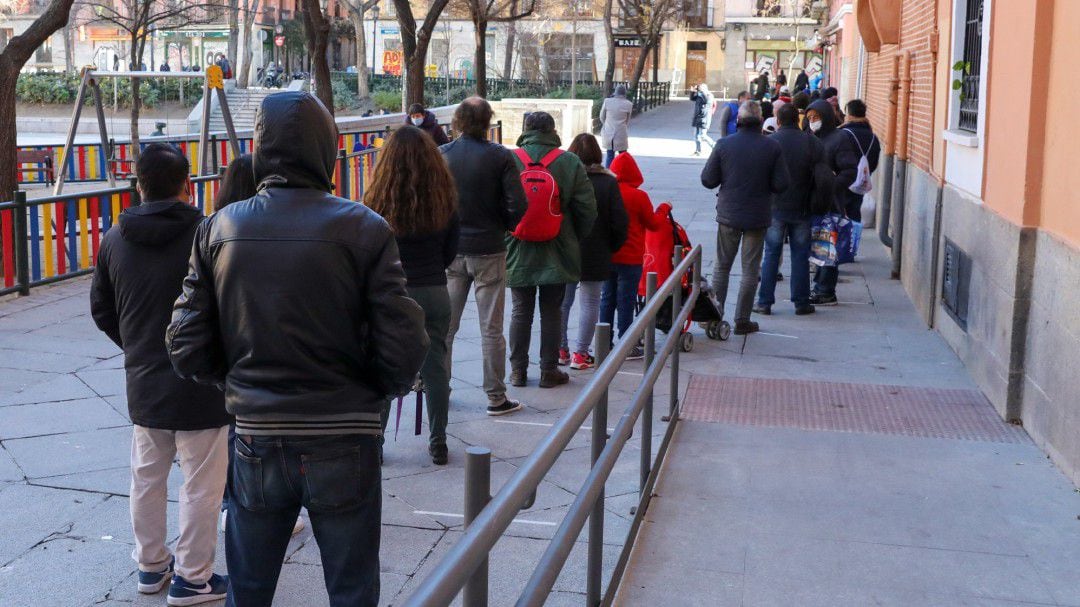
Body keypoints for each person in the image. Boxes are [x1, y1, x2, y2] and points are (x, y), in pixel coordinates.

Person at [167, 91, 428, 606]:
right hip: (345, 430)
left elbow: (185, 343)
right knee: (352, 588)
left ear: (261, 148)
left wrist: (236, 381)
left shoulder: (219, 228)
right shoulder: (365, 227)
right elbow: (405, 342)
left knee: (250, 587)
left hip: (257, 433)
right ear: (326, 149)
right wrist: (372, 392)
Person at [90, 143, 231, 605]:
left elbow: (102, 309)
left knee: (146, 477)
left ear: (138, 184)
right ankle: (194, 575)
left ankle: (151, 567)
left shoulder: (114, 238)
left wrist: (137, 348)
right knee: (202, 482)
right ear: (187, 185)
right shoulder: (208, 234)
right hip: (202, 379)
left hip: (145, 379)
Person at [212, 155, 306, 536]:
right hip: (260, 348)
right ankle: (256, 502)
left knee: (235, 431)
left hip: (226, 350)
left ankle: (228, 501)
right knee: (258, 434)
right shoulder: (263, 229)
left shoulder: (213, 231)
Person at [366, 126, 459, 465]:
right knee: (436, 367)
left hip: (394, 291)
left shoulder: (377, 199)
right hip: (434, 289)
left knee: (386, 363)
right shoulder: (444, 197)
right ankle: (438, 441)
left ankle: (376, 442)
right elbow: (451, 249)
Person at [440, 97, 528, 415]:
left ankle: (441, 388)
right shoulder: (500, 156)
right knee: (491, 328)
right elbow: (519, 203)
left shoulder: (443, 155)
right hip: (490, 249)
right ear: (487, 121)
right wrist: (502, 226)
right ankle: (495, 396)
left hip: (452, 251)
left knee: (446, 328)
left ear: (458, 120)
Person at [506, 111, 597, 388]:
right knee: (552, 310)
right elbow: (587, 209)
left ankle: (518, 371)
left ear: (526, 129)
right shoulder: (568, 162)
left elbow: (498, 203)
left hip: (518, 246)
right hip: (557, 248)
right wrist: (571, 237)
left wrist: (508, 233)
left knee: (521, 310)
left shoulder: (510, 159)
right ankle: (548, 370)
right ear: (552, 131)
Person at [700, 101, 789, 335]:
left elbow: (708, 180)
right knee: (750, 270)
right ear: (760, 120)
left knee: (722, 267)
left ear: (738, 120)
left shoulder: (724, 145)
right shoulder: (772, 147)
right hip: (758, 215)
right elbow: (782, 183)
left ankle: (715, 319)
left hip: (729, 214)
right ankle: (742, 320)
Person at [558, 133, 629, 370]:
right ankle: (580, 354)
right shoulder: (608, 182)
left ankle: (560, 349)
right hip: (596, 250)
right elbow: (620, 221)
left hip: (566, 249)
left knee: (562, 302)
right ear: (598, 155)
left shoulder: (564, 179)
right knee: (590, 302)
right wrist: (612, 246)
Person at [754, 104, 823, 316]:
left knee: (771, 254)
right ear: (798, 119)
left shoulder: (769, 142)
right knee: (801, 255)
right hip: (802, 206)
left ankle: (764, 302)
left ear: (779, 120)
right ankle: (801, 302)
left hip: (775, 207)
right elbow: (822, 175)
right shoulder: (812, 142)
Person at [604, 152, 671, 357]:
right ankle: (627, 343)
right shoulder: (638, 196)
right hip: (631, 256)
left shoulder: (608, 191)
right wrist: (663, 209)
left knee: (607, 299)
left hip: (608, 255)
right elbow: (653, 224)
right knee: (626, 300)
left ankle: (604, 342)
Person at [805, 98, 862, 306]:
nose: (812, 121)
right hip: (811, 201)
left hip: (830, 203)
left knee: (827, 248)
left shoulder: (839, 139)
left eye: (816, 117)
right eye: (809, 118)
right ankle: (818, 287)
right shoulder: (809, 137)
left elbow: (849, 170)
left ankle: (825, 290)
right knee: (817, 247)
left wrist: (831, 185)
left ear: (826, 117)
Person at [599, 84, 634, 167]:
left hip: (609, 133)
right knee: (623, 156)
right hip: (621, 133)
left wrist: (607, 124)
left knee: (610, 156)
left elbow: (601, 117)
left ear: (615, 92)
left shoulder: (607, 101)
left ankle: (609, 175)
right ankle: (623, 174)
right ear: (624, 93)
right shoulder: (629, 104)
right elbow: (627, 120)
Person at [689, 83, 715, 156]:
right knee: (696, 135)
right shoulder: (700, 95)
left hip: (705, 118)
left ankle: (714, 146)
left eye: (700, 88)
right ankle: (698, 151)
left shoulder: (709, 95)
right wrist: (693, 91)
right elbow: (692, 98)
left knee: (703, 135)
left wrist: (702, 91)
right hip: (697, 117)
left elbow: (706, 101)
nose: (699, 89)